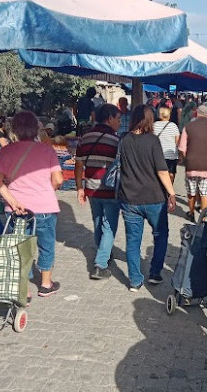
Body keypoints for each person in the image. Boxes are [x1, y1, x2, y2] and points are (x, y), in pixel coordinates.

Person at [0, 111, 64, 297]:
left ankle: (24, 289)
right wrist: (45, 191)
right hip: (45, 206)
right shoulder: (47, 150)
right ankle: (46, 284)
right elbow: (58, 180)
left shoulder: (6, 151)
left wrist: (13, 201)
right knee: (46, 245)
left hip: (16, 209)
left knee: (20, 248)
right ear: (36, 129)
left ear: (14, 129)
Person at [117, 105, 177, 292]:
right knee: (160, 235)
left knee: (133, 240)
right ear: (150, 120)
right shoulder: (152, 140)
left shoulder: (124, 139)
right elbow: (162, 171)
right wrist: (172, 193)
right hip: (154, 198)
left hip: (129, 198)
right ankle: (155, 272)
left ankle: (135, 280)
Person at [75, 104, 122, 280]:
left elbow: (78, 165)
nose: (119, 123)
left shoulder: (86, 137)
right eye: (118, 119)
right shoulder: (116, 140)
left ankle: (104, 251)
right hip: (110, 190)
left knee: (97, 221)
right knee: (109, 226)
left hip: (91, 188)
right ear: (109, 119)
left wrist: (79, 187)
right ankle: (100, 264)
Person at [153, 106, 180, 185]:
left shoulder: (154, 125)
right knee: (171, 173)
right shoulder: (173, 126)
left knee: (158, 173)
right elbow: (177, 141)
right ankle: (169, 188)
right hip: (171, 155)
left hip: (158, 154)